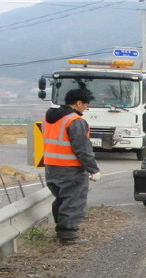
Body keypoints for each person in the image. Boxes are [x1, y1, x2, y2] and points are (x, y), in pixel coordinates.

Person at [42, 88, 100, 245]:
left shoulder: (49, 118)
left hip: (51, 166)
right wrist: (93, 169)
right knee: (73, 200)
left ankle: (61, 231)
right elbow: (82, 149)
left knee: (60, 199)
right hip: (70, 168)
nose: (86, 109)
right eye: (85, 105)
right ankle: (68, 235)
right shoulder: (75, 121)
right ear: (78, 103)